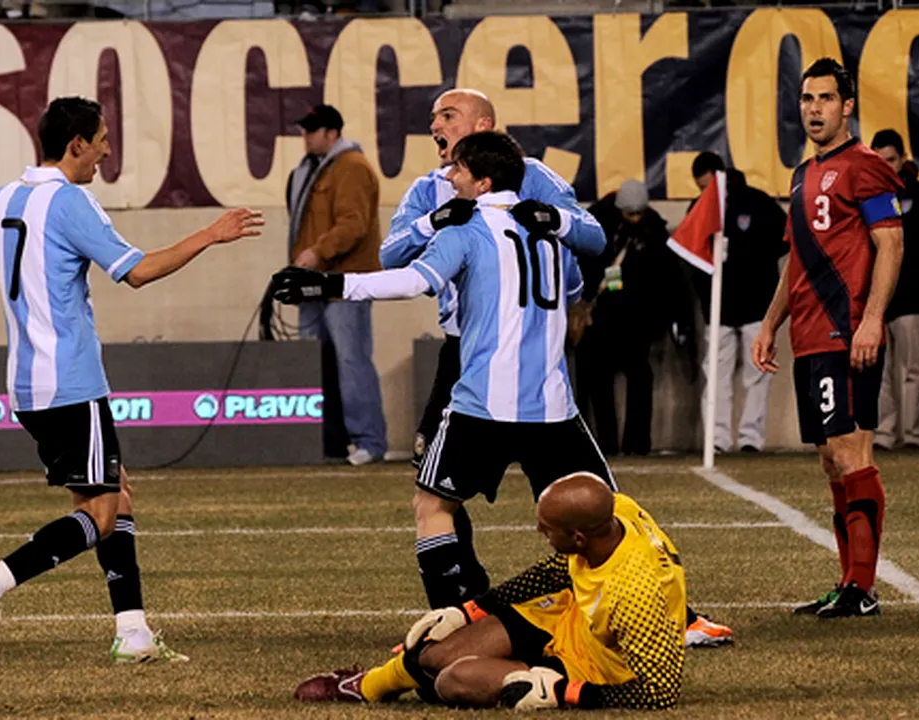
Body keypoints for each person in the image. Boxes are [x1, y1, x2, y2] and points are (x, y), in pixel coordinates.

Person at [272, 131, 731, 648]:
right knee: (610, 512)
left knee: (432, 506)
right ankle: (670, 618)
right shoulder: (552, 230)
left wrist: (332, 286)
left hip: (482, 405)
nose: (449, 177)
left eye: (459, 170)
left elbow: (411, 279)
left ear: (483, 180)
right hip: (553, 408)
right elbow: (579, 280)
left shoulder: (468, 227)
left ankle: (455, 622)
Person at [0, 96, 263, 664]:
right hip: (71, 381)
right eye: (101, 139)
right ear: (76, 146)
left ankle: (133, 633)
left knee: (116, 497)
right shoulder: (71, 202)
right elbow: (137, 272)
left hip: (25, 383)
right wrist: (211, 234)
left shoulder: (4, 198)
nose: (107, 149)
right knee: (101, 513)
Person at [293, 472, 686, 711]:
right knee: (437, 649)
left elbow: (659, 693)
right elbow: (558, 569)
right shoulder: (618, 509)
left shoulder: (637, 595)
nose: (539, 533)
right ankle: (368, 686)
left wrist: (567, 692)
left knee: (453, 680)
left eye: (547, 529)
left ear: (578, 536)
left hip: (593, 667)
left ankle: (495, 681)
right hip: (569, 617)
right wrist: (469, 611)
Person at [380, 88, 606, 472]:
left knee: (571, 486)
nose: (435, 125)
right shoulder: (428, 189)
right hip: (464, 347)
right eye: (435, 117)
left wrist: (556, 220)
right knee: (433, 479)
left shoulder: (535, 176)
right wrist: (431, 221)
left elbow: (593, 238)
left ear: (483, 124)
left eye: (448, 116)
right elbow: (391, 256)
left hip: (534, 348)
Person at [751, 58, 903, 618]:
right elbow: (797, 262)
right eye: (807, 99)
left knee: (850, 449)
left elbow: (891, 244)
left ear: (848, 106)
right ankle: (848, 583)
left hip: (848, 330)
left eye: (825, 99)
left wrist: (872, 319)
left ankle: (862, 590)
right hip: (811, 335)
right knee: (828, 458)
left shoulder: (864, 166)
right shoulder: (800, 174)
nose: (815, 108)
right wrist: (771, 324)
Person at [286, 103, 387, 466]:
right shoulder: (310, 170)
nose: (305, 136)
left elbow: (354, 224)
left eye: (312, 130)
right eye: (305, 130)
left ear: (332, 134)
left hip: (347, 282)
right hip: (313, 283)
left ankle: (370, 441)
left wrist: (316, 252)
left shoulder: (352, 168)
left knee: (351, 361)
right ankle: (327, 440)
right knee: (314, 364)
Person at [576, 178, 693, 456]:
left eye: (639, 213)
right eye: (630, 214)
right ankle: (605, 445)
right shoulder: (597, 225)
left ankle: (637, 444)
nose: (635, 219)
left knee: (640, 380)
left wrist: (674, 318)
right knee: (598, 385)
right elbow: (582, 265)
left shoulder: (654, 231)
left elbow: (669, 278)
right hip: (601, 318)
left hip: (637, 320)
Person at [688, 152, 788, 453]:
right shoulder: (700, 209)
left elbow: (786, 239)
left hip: (757, 307)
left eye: (708, 186)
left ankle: (750, 439)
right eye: (700, 188)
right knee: (715, 378)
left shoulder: (758, 203)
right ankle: (716, 439)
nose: (705, 194)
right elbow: (692, 256)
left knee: (757, 376)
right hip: (718, 311)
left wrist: (754, 261)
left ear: (721, 177)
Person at [868, 130, 919, 451]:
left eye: (890, 160)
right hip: (876, 297)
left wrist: (901, 247)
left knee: (914, 369)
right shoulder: (868, 195)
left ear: (902, 159)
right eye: (879, 161)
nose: (886, 166)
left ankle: (917, 435)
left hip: (911, 293)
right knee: (879, 371)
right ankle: (884, 434)